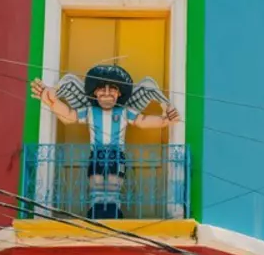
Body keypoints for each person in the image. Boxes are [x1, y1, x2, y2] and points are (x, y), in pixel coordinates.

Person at [31, 63, 181, 219]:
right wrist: (51, 102)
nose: (107, 93)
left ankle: (113, 209)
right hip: (97, 155)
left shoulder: (123, 112)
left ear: (119, 93)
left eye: (113, 89)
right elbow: (70, 115)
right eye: (102, 89)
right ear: (95, 92)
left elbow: (142, 120)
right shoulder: (90, 111)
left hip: (116, 156)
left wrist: (164, 120)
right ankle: (96, 209)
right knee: (96, 182)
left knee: (114, 183)